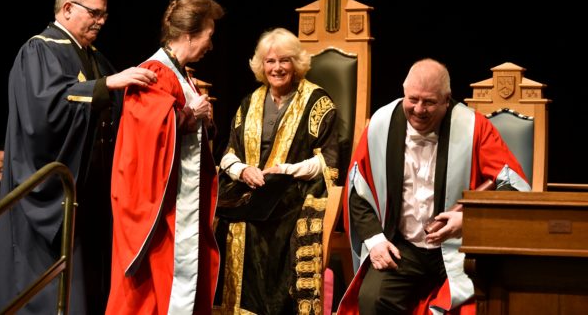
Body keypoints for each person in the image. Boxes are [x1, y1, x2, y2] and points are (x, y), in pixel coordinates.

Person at [0, 0, 157, 314]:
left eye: (104, 15)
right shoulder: (39, 50)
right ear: (68, 8)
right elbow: (45, 108)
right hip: (55, 189)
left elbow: (118, 104)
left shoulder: (93, 56)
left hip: (91, 193)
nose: (101, 21)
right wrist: (105, 86)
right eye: (94, 13)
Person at [337, 58, 531, 314]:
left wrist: (469, 221)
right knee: (373, 299)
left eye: (429, 102)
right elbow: (357, 191)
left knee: (471, 304)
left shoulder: (474, 127)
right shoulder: (380, 126)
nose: (419, 109)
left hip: (459, 249)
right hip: (401, 246)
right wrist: (375, 240)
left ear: (447, 99)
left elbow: (514, 186)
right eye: (413, 99)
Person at [105, 0, 224, 314]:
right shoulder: (154, 71)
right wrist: (190, 115)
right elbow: (148, 131)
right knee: (151, 293)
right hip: (159, 208)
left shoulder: (183, 74)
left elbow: (186, 123)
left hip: (179, 203)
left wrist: (203, 120)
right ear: (189, 35)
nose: (210, 45)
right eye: (208, 36)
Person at [212, 27, 340, 314]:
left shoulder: (318, 103)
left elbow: (327, 162)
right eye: (270, 61)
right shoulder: (250, 102)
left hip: (292, 192)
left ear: (296, 63)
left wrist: (288, 170)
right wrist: (244, 171)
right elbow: (228, 155)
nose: (277, 68)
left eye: (285, 60)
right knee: (228, 221)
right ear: (261, 65)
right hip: (251, 192)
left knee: (277, 230)